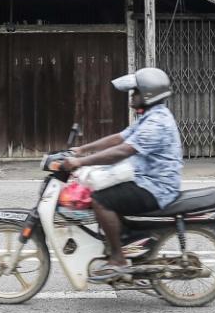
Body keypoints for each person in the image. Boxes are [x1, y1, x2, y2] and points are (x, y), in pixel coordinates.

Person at [62, 67, 183, 281]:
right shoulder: (150, 116)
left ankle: (118, 259)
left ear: (147, 95)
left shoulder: (156, 123)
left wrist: (79, 162)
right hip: (145, 179)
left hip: (156, 187)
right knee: (104, 187)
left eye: (134, 92)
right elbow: (118, 138)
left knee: (100, 200)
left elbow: (123, 150)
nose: (131, 96)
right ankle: (125, 240)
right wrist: (82, 149)